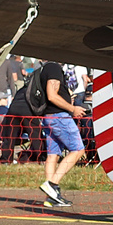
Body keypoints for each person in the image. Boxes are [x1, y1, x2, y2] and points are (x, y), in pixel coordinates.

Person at [35, 60, 87, 208]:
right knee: (78, 150)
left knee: (53, 155)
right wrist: (72, 108)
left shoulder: (46, 68)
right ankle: (52, 185)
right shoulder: (54, 68)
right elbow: (52, 95)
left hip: (49, 117)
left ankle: (51, 197)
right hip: (59, 117)